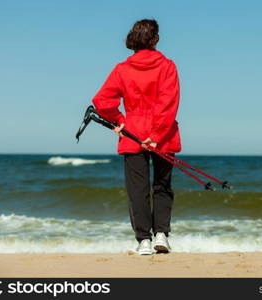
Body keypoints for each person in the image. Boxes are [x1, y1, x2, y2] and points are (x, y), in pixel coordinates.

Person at [92, 19, 181, 255]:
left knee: (137, 190)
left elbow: (102, 101)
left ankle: (144, 241)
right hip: (163, 135)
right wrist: (157, 134)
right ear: (155, 39)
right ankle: (161, 234)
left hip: (133, 133)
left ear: (133, 40)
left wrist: (119, 120)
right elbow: (168, 102)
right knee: (162, 186)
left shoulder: (122, 69)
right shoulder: (168, 66)